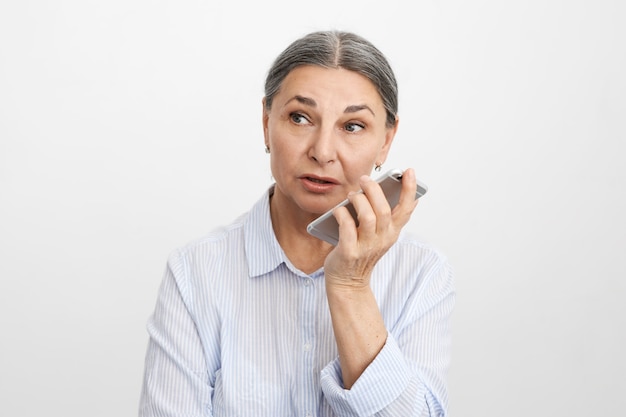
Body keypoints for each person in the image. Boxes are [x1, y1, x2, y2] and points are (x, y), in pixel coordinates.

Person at [139, 30, 455, 417]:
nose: (322, 152)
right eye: (300, 117)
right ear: (266, 122)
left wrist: (351, 287)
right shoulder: (195, 273)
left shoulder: (422, 273)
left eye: (352, 126)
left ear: (386, 142)